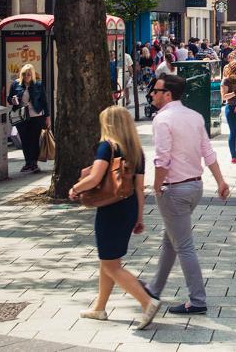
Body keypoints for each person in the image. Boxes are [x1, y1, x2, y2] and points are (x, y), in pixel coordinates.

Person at [145, 74, 231, 314]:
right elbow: (208, 152)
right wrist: (221, 181)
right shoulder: (195, 117)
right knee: (170, 240)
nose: (152, 93)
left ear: (168, 94)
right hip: (195, 187)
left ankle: (197, 300)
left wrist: (157, 185)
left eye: (156, 90)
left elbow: (162, 159)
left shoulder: (162, 120)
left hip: (174, 189)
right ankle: (154, 289)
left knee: (182, 245)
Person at [69, 106, 160, 329]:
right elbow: (140, 189)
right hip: (128, 208)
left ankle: (146, 301)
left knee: (111, 264)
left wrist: (75, 188)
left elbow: (95, 177)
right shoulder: (137, 151)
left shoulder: (107, 147)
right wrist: (139, 217)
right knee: (109, 260)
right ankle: (99, 308)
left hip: (111, 209)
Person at [7, 64, 50, 173]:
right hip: (21, 117)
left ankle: (34, 163)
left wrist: (47, 117)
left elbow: (44, 102)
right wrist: (13, 100)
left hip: (36, 116)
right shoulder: (16, 84)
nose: (27, 76)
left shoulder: (38, 85)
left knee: (34, 140)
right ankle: (28, 163)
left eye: (29, 74)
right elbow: (9, 99)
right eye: (24, 74)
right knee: (25, 141)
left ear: (33, 75)